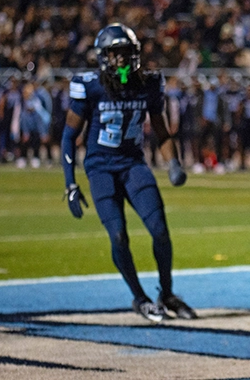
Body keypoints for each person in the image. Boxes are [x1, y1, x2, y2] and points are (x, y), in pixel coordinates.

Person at [61, 23, 197, 323]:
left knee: (160, 230)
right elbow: (69, 136)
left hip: (134, 165)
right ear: (102, 56)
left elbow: (161, 131)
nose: (121, 61)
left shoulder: (148, 83)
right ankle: (140, 297)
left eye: (125, 53)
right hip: (101, 169)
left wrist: (173, 162)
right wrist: (70, 184)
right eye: (114, 54)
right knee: (119, 236)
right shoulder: (90, 86)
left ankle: (168, 293)